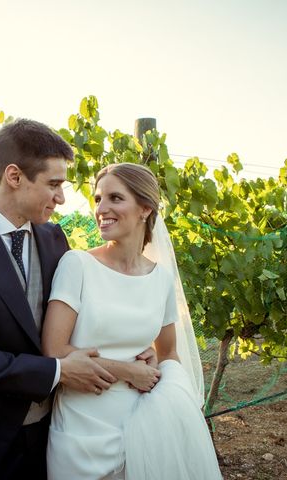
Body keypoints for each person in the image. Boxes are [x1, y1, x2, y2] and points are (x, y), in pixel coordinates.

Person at [0, 120, 155, 480]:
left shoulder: (53, 239)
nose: (61, 197)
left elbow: (74, 324)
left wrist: (136, 350)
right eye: (53, 184)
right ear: (15, 176)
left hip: (53, 434)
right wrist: (60, 371)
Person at [43, 162, 222, 479]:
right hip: (81, 429)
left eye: (115, 198)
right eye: (98, 199)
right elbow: (54, 351)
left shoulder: (161, 280)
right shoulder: (77, 265)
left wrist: (158, 367)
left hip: (144, 425)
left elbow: (168, 353)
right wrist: (129, 371)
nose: (102, 209)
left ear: (145, 209)